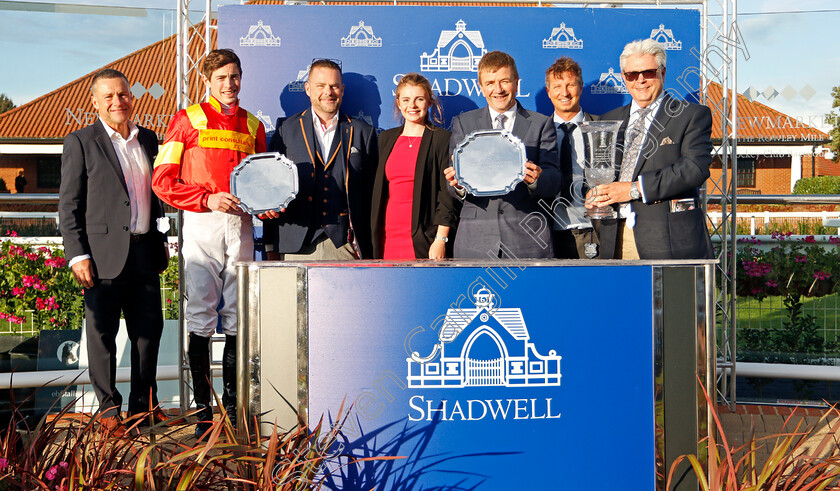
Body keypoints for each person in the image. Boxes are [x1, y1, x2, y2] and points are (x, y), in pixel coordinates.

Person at [152, 49, 266, 438]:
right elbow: (162, 181)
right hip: (202, 223)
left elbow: (263, 181)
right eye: (221, 78)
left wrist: (267, 204)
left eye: (235, 76)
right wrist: (205, 199)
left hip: (242, 224)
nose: (229, 84)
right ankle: (203, 413)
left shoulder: (253, 124)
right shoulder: (186, 120)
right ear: (207, 81)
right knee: (201, 315)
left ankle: (233, 412)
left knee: (238, 317)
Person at [59, 68, 169, 436]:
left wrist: (162, 241)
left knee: (149, 331)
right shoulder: (80, 142)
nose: (117, 101)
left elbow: (157, 197)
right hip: (101, 257)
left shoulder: (150, 140)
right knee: (102, 334)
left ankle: (142, 407)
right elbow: (68, 206)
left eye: (122, 94)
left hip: (144, 253)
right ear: (95, 102)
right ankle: (109, 412)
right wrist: (77, 255)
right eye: (108, 96)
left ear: (131, 97)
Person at [585, 39, 713, 259]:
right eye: (632, 74)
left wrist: (634, 189)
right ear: (624, 78)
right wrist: (593, 192)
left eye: (648, 72)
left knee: (668, 295)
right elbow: (599, 170)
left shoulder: (690, 115)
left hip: (666, 240)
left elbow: (694, 169)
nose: (640, 80)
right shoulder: (609, 119)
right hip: (613, 237)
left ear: (663, 73)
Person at [444, 51, 561, 259]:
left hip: (528, 239)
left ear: (516, 83)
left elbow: (554, 181)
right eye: (490, 83)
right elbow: (451, 187)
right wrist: (458, 185)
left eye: (504, 81)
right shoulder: (464, 123)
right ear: (480, 87)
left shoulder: (541, 124)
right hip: (475, 240)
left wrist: (537, 180)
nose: (497, 90)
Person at [264, 59, 377, 260]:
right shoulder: (285, 130)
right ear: (308, 89)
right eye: (321, 86)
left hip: (344, 245)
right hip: (295, 244)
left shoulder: (363, 132)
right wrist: (270, 245)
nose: (328, 92)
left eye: (334, 86)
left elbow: (372, 195)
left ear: (342, 89)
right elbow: (271, 189)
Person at [370, 73, 460, 260]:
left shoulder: (441, 139)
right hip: (387, 235)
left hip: (425, 237)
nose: (412, 106)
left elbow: (447, 195)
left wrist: (440, 239)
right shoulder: (386, 138)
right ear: (398, 103)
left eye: (419, 99)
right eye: (406, 99)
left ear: (429, 102)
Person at [544, 57, 599, 259]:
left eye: (571, 85)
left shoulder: (603, 129)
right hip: (549, 233)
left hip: (594, 231)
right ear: (549, 92)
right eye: (557, 86)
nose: (565, 93)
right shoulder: (535, 132)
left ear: (581, 87)